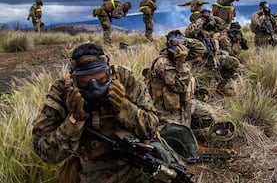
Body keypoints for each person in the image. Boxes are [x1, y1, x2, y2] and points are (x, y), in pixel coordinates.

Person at [31, 43, 173, 183]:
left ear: (109, 72)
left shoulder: (124, 78)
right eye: (84, 83)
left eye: (102, 80)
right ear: (73, 78)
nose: (95, 87)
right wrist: (74, 121)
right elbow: (46, 153)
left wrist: (123, 107)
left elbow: (151, 128)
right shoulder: (62, 91)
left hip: (133, 165)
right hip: (88, 172)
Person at [143, 30, 235, 142]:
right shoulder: (163, 63)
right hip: (166, 112)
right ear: (168, 44)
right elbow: (180, 86)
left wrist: (185, 41)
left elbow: (201, 49)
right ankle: (201, 135)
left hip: (185, 105)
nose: (179, 47)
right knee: (180, 137)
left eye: (182, 43)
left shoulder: (181, 55)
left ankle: (206, 132)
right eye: (175, 43)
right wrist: (181, 62)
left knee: (208, 115)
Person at [185, 10, 243, 96]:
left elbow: (223, 25)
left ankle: (221, 88)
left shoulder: (210, 28)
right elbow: (190, 32)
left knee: (233, 63)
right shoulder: (193, 29)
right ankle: (200, 99)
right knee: (203, 88)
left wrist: (211, 17)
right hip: (200, 62)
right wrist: (202, 19)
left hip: (213, 58)